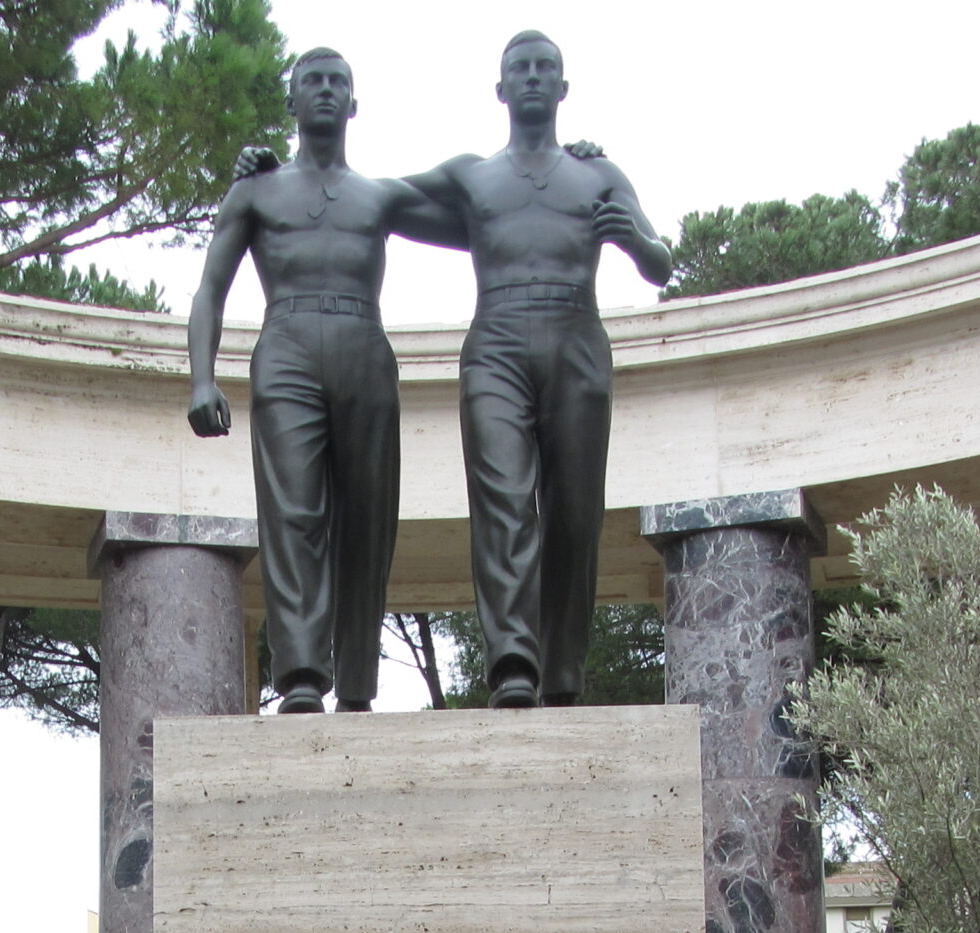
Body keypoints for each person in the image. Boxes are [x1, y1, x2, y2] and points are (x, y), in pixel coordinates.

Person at [186, 49, 464, 712]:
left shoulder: (381, 194)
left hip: (364, 346)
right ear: (292, 101)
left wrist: (560, 166)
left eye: (338, 82)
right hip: (284, 347)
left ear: (354, 103)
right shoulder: (256, 189)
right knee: (293, 516)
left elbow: (485, 219)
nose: (326, 91)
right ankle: (302, 675)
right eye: (312, 81)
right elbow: (210, 288)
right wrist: (201, 378)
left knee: (367, 522)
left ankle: (360, 683)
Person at [407, 31, 672, 706]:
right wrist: (279, 175)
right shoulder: (472, 175)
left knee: (575, 515)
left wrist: (636, 239)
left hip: (576, 337)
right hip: (495, 340)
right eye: (518, 68)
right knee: (503, 503)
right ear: (500, 90)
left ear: (563, 88)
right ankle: (513, 664)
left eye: (544, 68)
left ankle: (562, 666)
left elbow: (660, 263)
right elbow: (376, 198)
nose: (531, 77)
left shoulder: (598, 173)